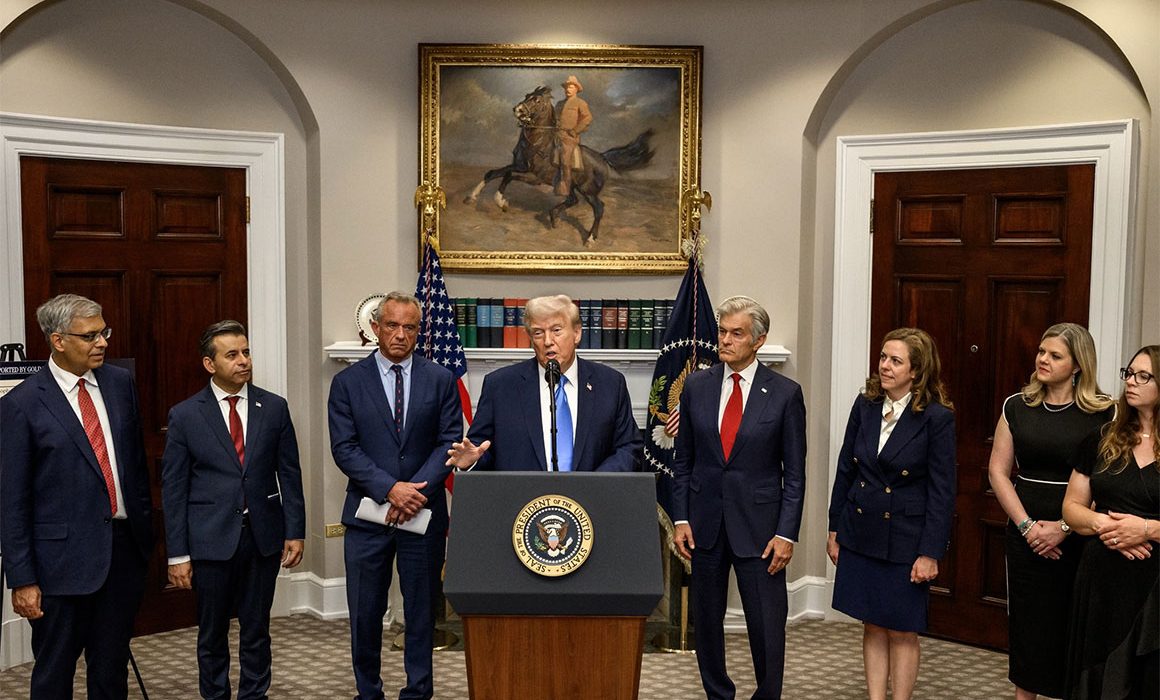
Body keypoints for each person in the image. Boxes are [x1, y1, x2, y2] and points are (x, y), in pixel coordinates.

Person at [0, 294, 153, 699]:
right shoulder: (21, 404)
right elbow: (12, 501)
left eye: (104, 332)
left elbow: (135, 465)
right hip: (59, 568)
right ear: (58, 340)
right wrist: (22, 579)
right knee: (54, 675)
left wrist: (144, 538)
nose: (102, 342)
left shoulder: (120, 384)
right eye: (90, 336)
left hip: (121, 556)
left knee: (111, 670)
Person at [161, 320, 306, 700]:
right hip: (210, 540)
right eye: (232, 355)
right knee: (212, 633)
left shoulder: (273, 407)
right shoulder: (185, 415)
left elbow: (290, 474)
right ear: (210, 364)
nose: (243, 361)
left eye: (246, 352)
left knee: (257, 629)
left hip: (263, 538)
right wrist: (177, 554)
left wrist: (295, 530)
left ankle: (254, 694)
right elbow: (174, 490)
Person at [671, 296, 807, 700]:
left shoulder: (785, 394)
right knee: (707, 623)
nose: (725, 341)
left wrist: (786, 533)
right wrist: (681, 518)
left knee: (767, 627)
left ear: (759, 340)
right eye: (722, 332)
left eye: (737, 334)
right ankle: (718, 694)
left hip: (761, 530)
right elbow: (684, 461)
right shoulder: (697, 385)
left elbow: (794, 474)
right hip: (705, 525)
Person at [328, 292, 462, 700]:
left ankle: (418, 691)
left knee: (421, 613)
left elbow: (449, 442)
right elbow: (344, 448)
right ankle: (368, 692)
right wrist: (390, 489)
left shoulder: (440, 379)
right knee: (365, 614)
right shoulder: (348, 382)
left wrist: (414, 492)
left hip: (423, 514)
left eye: (409, 327)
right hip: (367, 518)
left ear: (419, 332)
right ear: (376, 328)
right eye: (392, 325)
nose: (400, 334)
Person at [826, 327, 956, 700]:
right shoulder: (865, 405)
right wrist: (835, 528)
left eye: (896, 361)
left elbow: (942, 491)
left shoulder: (937, 418)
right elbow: (846, 470)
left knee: (901, 629)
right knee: (872, 623)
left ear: (916, 370)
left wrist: (930, 552)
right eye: (883, 357)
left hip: (905, 538)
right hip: (861, 530)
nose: (885, 366)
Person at [987, 323, 1114, 700]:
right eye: (1042, 351)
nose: (1043, 359)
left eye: (1055, 355)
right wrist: (1027, 527)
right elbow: (998, 472)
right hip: (1025, 533)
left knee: (1073, 627)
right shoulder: (1016, 406)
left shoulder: (1105, 412)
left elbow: (1108, 481)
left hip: (1080, 536)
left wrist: (1064, 527)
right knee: (1028, 629)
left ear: (1078, 365)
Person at [445, 294, 641, 473]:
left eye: (556, 330)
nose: (548, 341)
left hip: (591, 498)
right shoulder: (500, 386)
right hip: (522, 499)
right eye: (538, 333)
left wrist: (595, 484)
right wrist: (471, 462)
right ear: (531, 339)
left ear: (577, 333)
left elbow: (629, 448)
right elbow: (480, 449)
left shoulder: (610, 384)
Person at [1062, 345, 1159, 700]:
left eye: (1143, 376)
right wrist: (1108, 526)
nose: (1131, 382)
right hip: (1101, 578)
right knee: (1097, 679)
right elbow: (1072, 507)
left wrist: (1145, 529)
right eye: (1128, 373)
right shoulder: (1101, 438)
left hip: (1154, 584)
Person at [554, 75, 592, 196]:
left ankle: (565, 187)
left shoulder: (580, 103)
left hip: (569, 138)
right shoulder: (559, 104)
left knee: (565, 160)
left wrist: (575, 130)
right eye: (566, 87)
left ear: (576, 89)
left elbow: (587, 118)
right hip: (556, 135)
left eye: (570, 87)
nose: (567, 89)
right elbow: (555, 119)